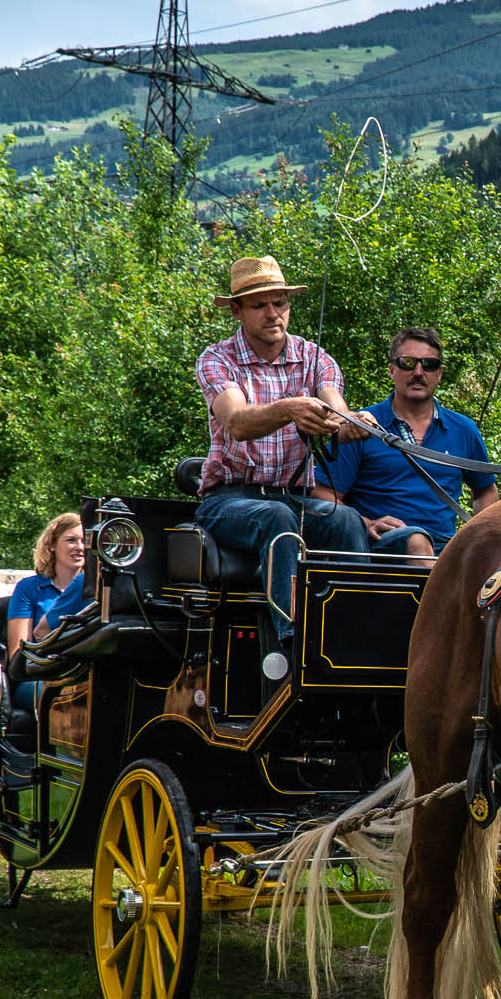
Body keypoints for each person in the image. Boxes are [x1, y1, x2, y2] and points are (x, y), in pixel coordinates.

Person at [191, 255, 371, 682]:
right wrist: (292, 409)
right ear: (237, 310)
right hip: (228, 501)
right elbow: (237, 421)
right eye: (260, 305)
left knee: (346, 520)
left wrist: (356, 424)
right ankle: (294, 644)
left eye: (281, 303)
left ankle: (357, 635)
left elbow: (338, 417)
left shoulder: (314, 358)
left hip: (295, 498)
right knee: (278, 518)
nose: (274, 314)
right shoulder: (217, 360)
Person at [324, 327, 500, 558]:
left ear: (439, 373)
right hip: (381, 547)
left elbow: (485, 491)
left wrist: (477, 537)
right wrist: (366, 524)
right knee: (417, 540)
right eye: (408, 363)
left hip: (447, 549)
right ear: (391, 370)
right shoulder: (361, 426)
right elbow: (324, 494)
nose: (418, 372)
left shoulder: (464, 429)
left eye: (429, 365)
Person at [7, 512, 88, 724]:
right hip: (36, 677)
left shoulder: (96, 588)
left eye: (85, 541)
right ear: (52, 545)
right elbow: (18, 653)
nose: (80, 547)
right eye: (71, 540)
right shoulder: (28, 588)